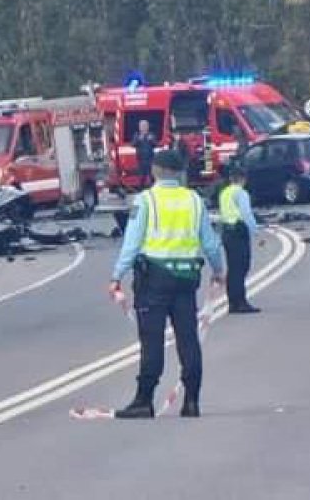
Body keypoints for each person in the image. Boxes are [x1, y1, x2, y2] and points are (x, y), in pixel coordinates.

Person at [108, 150, 227, 419]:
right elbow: (210, 242)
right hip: (186, 278)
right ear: (179, 173)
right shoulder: (194, 200)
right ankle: (192, 401)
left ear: (154, 171)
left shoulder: (146, 200)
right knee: (188, 339)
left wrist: (117, 276)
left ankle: (144, 400)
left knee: (152, 339)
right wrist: (219, 270)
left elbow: (132, 242)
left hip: (153, 279)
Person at [217, 161, 261, 314]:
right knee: (242, 267)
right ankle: (240, 302)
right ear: (243, 179)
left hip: (227, 232)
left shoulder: (224, 193)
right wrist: (255, 230)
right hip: (238, 231)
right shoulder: (241, 193)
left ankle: (233, 302)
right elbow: (246, 213)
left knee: (233, 268)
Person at [132, 119, 158, 190]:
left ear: (148, 127)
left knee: (152, 175)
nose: (143, 127)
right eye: (142, 126)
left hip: (150, 158)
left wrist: (152, 140)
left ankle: (154, 189)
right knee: (141, 176)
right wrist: (138, 139)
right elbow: (133, 144)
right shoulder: (136, 135)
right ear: (139, 127)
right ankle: (141, 190)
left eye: (145, 126)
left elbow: (156, 144)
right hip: (141, 159)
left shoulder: (151, 135)